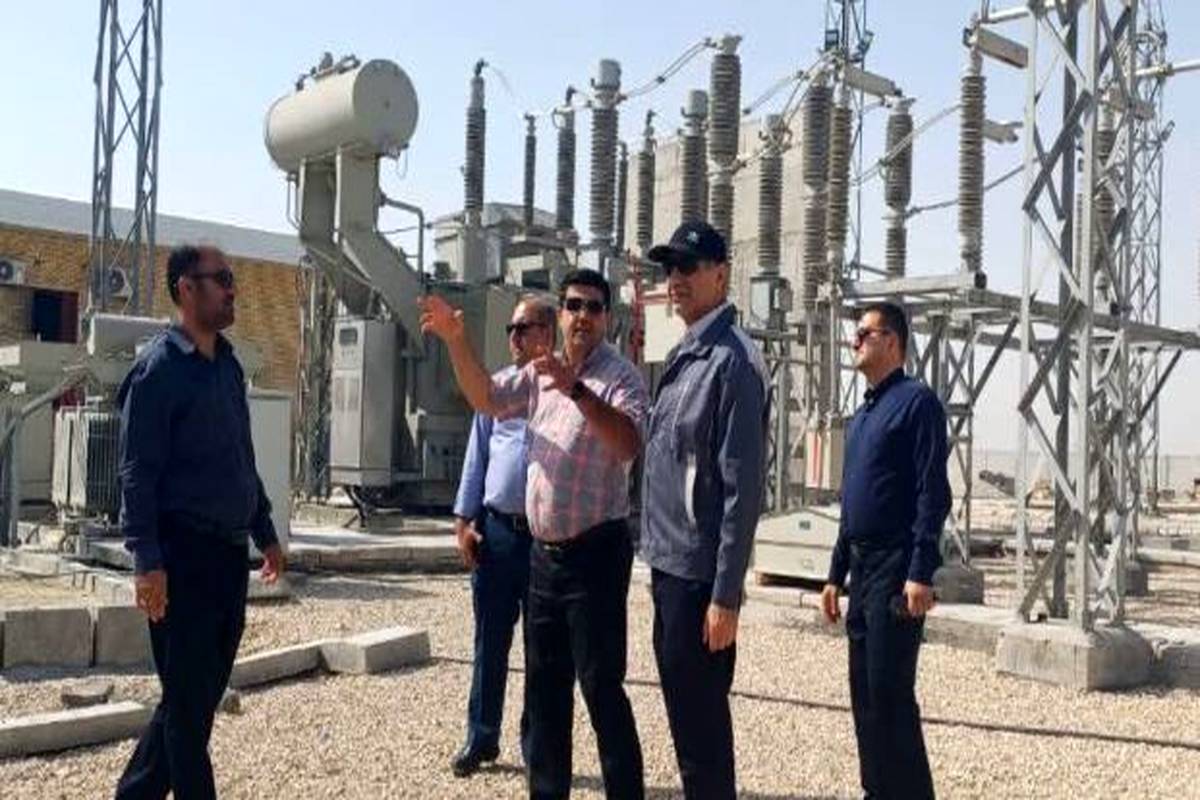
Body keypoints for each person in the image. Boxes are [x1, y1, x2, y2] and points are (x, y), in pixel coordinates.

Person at [420, 270, 646, 800]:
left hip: (595, 555)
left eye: (594, 307)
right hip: (544, 558)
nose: (583, 316)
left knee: (601, 689)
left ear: (606, 319)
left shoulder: (621, 378)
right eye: (574, 305)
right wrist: (456, 341)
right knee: (545, 692)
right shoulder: (538, 374)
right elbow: (488, 398)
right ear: (560, 315)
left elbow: (628, 444)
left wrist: (577, 391)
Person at [115, 244, 285, 800]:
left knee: (193, 700)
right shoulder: (159, 370)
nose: (233, 289)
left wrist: (264, 531)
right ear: (186, 289)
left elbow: (241, 458)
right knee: (188, 714)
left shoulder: (228, 366)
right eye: (222, 279)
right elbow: (137, 474)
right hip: (182, 556)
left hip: (227, 557)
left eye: (232, 278)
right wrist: (147, 562)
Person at [640, 221, 768, 799]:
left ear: (721, 275)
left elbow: (743, 489)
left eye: (688, 267)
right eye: (670, 268)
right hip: (669, 567)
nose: (676, 279)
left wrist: (725, 595)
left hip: (698, 578)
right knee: (686, 722)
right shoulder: (688, 352)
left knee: (703, 733)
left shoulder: (733, 361)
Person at [820, 301, 949, 800]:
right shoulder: (862, 416)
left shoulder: (917, 404)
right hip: (861, 568)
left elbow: (932, 493)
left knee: (891, 695)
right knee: (865, 697)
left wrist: (921, 570)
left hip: (896, 569)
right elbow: (852, 501)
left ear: (891, 341)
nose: (854, 342)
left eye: (863, 334)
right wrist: (834, 575)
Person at [450, 296, 555, 778]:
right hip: (497, 534)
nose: (513, 337)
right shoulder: (495, 390)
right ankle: (480, 736)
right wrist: (464, 519)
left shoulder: (561, 388)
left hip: (543, 539)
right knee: (489, 642)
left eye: (522, 328)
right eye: (510, 329)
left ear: (546, 333)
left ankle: (537, 749)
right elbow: (478, 455)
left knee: (541, 650)